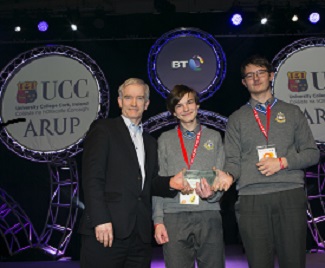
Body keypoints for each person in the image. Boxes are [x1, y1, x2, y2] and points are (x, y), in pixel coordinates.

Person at [78, 78, 190, 268]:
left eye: (139, 98)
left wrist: (171, 183)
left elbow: (150, 183)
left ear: (146, 104)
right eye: (128, 97)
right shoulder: (103, 129)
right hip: (107, 231)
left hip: (140, 236)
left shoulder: (150, 142)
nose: (133, 103)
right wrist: (100, 219)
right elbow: (92, 179)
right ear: (119, 101)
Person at [223, 55, 320, 268]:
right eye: (250, 75)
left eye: (260, 73)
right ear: (244, 82)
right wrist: (226, 176)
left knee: (293, 261)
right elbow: (232, 161)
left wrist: (283, 162)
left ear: (271, 76)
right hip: (252, 199)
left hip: (289, 194)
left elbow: (312, 153)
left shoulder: (293, 112)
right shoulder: (236, 119)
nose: (256, 78)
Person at [152, 85, 233, 268]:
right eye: (179, 105)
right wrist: (158, 221)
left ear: (197, 105)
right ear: (173, 112)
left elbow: (220, 178)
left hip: (208, 214)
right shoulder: (164, 139)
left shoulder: (215, 136)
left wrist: (212, 195)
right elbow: (158, 183)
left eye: (189, 102)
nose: (186, 108)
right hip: (173, 216)